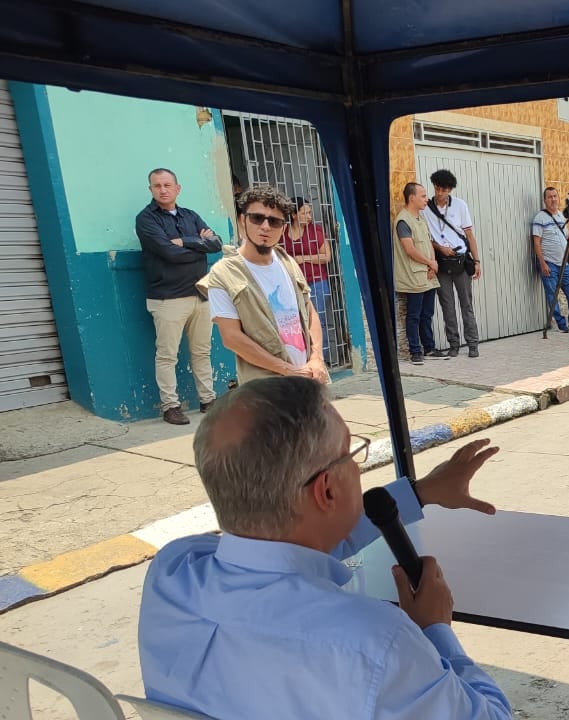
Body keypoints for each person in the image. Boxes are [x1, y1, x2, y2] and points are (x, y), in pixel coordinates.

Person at [138, 377, 512, 719]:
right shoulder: (376, 643)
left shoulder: (173, 570)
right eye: (351, 453)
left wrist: (419, 492)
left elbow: (284, 553)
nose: (357, 465)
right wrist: (434, 628)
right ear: (328, 490)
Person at [198, 186, 328, 385]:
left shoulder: (288, 262)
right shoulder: (223, 274)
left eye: (274, 221)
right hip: (266, 388)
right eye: (257, 218)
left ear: (283, 228)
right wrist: (287, 370)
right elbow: (231, 337)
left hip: (308, 380)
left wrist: (316, 358)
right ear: (242, 221)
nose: (266, 227)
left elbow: (310, 313)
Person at [135, 168, 223, 425]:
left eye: (166, 185)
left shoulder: (190, 215)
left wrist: (185, 242)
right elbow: (167, 253)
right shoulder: (146, 219)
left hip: (200, 295)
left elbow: (216, 244)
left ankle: (208, 401)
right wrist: (199, 245)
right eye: (156, 186)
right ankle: (170, 406)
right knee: (167, 355)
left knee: (202, 352)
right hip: (167, 298)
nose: (162, 190)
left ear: (177, 188)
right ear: (151, 189)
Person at [423, 169, 482, 358]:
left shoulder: (460, 205)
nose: (439, 193)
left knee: (466, 303)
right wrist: (439, 248)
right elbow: (425, 237)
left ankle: (473, 343)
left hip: (460, 259)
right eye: (437, 188)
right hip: (441, 261)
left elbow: (469, 235)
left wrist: (477, 260)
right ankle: (454, 344)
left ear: (450, 190)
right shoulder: (426, 208)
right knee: (446, 304)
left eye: (444, 190)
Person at [393, 182, 446, 364]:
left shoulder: (420, 219)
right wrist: (430, 262)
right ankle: (415, 351)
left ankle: (429, 348)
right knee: (414, 315)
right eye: (422, 196)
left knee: (427, 314)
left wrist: (433, 265)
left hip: (428, 275)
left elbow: (428, 243)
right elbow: (409, 249)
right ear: (412, 198)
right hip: (413, 276)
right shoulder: (403, 220)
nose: (426, 199)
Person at [283, 196, 334, 364]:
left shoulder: (315, 231)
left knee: (318, 321)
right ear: (293, 214)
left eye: (310, 212)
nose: (309, 216)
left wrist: (303, 258)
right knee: (295, 322)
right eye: (304, 213)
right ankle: (302, 359)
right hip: (293, 284)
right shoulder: (283, 232)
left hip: (316, 281)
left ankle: (321, 359)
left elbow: (326, 256)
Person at [532, 186, 569, 334]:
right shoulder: (540, 218)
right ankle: (561, 324)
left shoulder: (562, 216)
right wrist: (542, 263)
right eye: (550, 197)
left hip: (564, 264)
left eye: (555, 196)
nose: (553, 199)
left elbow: (566, 236)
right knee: (552, 296)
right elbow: (536, 242)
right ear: (545, 200)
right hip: (549, 263)